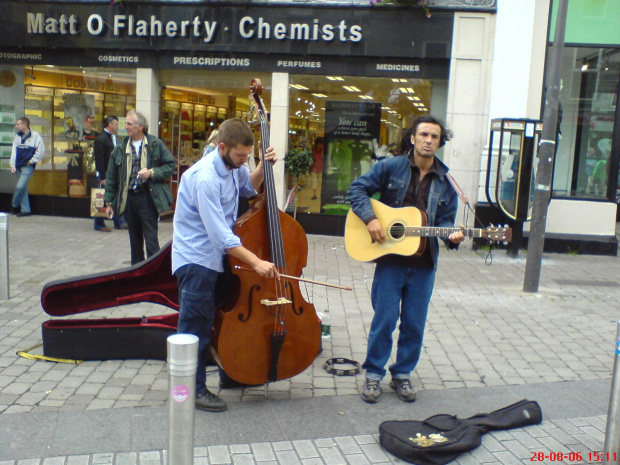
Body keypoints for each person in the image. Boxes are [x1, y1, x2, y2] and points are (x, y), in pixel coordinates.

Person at [347, 115, 465, 404]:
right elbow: (356, 189)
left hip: (423, 264)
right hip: (391, 258)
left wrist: (452, 237)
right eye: (423, 134)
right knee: (384, 320)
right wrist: (371, 218)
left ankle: (402, 375)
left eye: (434, 137)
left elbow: (446, 222)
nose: (428, 140)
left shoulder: (446, 181)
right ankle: (374, 375)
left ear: (440, 142)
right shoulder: (391, 166)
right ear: (412, 138)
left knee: (414, 323)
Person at [172, 118, 279, 412]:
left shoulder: (235, 166)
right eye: (240, 156)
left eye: (247, 156)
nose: (244, 161)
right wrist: (256, 261)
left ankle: (229, 374)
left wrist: (262, 168)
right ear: (222, 147)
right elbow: (220, 235)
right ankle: (191, 390)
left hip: (218, 258)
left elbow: (248, 189)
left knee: (220, 322)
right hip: (196, 259)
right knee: (195, 326)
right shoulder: (205, 178)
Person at [104, 110, 175, 265]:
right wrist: (109, 202)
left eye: (129, 123)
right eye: (125, 123)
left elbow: (170, 166)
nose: (125, 127)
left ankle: (153, 271)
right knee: (134, 240)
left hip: (148, 197)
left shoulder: (155, 144)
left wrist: (151, 172)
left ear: (140, 126)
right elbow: (111, 177)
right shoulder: (120, 149)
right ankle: (136, 272)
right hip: (129, 198)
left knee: (151, 240)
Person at [10, 117, 45, 217]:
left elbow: (41, 150)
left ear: (25, 125)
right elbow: (14, 152)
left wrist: (32, 161)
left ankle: (14, 205)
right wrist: (12, 165)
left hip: (27, 166)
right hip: (18, 166)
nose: (16, 126)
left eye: (18, 124)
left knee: (19, 187)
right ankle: (26, 210)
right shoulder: (17, 136)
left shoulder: (35, 136)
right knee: (23, 188)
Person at [93, 115, 120, 232]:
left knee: (114, 197)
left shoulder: (113, 137)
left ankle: (118, 221)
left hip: (113, 172)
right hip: (105, 174)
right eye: (116, 123)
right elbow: (99, 158)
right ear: (110, 124)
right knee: (101, 198)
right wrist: (102, 176)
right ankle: (99, 223)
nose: (117, 126)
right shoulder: (101, 139)